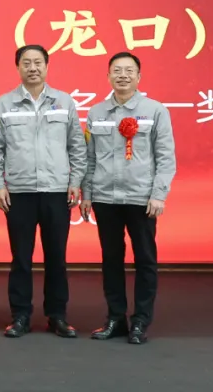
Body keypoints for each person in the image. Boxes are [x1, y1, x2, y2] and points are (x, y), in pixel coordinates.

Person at [0, 45, 86, 339]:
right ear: (18, 67)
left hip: (57, 191)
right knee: (21, 258)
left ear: (47, 66)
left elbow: (77, 146)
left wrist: (75, 181)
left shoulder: (64, 102)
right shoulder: (3, 104)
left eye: (38, 62)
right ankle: (20, 316)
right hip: (19, 192)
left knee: (57, 257)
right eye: (26, 63)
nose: (32, 68)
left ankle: (57, 316)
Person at [81, 52, 176, 345]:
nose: (123, 75)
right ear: (108, 76)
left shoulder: (155, 111)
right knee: (111, 260)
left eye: (129, 71)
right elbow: (89, 158)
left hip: (141, 198)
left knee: (145, 259)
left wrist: (158, 195)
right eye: (117, 70)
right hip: (105, 198)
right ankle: (116, 318)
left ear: (139, 76)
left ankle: (141, 321)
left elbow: (166, 158)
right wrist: (87, 194)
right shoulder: (96, 112)